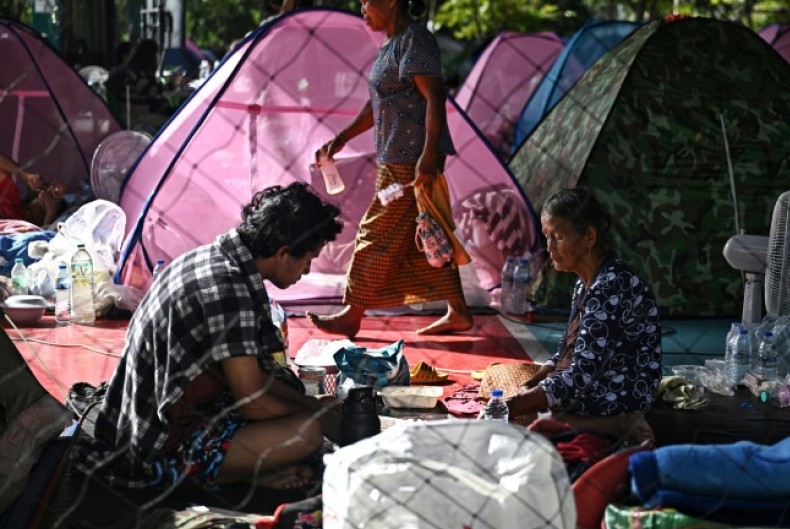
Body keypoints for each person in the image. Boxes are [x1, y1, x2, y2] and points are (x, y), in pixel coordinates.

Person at [71, 183, 344, 492]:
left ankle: (243, 467)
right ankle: (229, 474)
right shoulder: (228, 289)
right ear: (283, 253)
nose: (307, 271)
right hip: (156, 445)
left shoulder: (213, 259)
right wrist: (315, 415)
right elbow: (252, 403)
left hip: (143, 418)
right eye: (308, 258)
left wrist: (309, 402)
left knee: (306, 411)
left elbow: (252, 380)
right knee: (305, 434)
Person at [306, 0, 472, 337]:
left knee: (375, 231)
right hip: (396, 157)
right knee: (425, 231)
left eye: (367, 1)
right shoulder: (390, 45)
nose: (362, 8)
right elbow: (378, 102)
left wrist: (427, 157)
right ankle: (459, 312)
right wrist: (340, 139)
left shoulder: (415, 40)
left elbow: (434, 99)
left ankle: (351, 314)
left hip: (411, 159)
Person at [506, 187, 661, 444]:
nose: (550, 248)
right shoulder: (586, 282)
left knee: (535, 419)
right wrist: (530, 385)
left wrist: (514, 405)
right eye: (547, 237)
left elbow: (581, 373)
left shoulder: (610, 286)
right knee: (520, 386)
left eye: (557, 237)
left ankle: (618, 423)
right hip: (594, 378)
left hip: (621, 392)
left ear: (589, 236)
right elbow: (565, 352)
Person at [0, 154, 64, 228]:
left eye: (45, 208)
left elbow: (42, 235)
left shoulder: (25, 226)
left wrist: (51, 213)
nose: (45, 197)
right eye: (45, 191)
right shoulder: (12, 200)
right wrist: (25, 176)